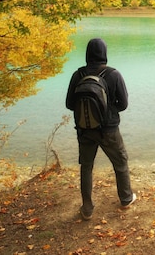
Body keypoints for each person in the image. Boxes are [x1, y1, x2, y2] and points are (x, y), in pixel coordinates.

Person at [65, 38, 136, 220]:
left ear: (87, 53)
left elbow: (69, 104)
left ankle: (87, 209)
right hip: (109, 130)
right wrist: (108, 112)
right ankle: (126, 199)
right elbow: (124, 104)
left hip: (84, 130)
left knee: (86, 167)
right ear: (105, 53)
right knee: (120, 163)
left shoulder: (77, 74)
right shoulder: (113, 74)